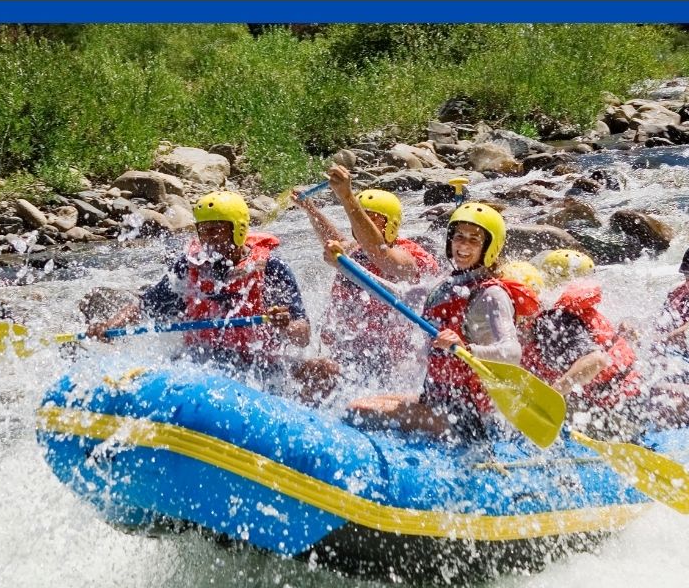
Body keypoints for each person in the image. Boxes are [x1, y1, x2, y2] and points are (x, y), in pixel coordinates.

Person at [88, 190, 338, 400]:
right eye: (204, 231)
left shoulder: (271, 269)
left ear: (238, 230)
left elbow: (302, 336)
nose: (209, 239)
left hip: (259, 363)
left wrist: (285, 325)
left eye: (217, 230)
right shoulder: (188, 267)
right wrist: (110, 326)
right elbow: (145, 306)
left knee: (324, 369)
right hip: (200, 361)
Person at [337, 201, 537, 443]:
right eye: (459, 236)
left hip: (467, 416)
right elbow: (395, 296)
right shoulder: (447, 285)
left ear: (489, 247)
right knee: (362, 402)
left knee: (358, 410)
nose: (463, 245)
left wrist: (467, 349)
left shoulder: (490, 295)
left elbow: (511, 352)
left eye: (474, 240)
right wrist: (344, 265)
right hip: (437, 399)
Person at [293, 165, 440, 380]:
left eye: (368, 219)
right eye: (359, 218)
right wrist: (311, 210)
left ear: (391, 226)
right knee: (305, 369)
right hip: (349, 351)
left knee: (319, 370)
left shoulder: (412, 257)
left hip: (390, 360)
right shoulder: (354, 249)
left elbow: (382, 256)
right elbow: (335, 240)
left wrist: (347, 197)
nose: (359, 224)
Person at [518, 275, 646, 439]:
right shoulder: (562, 316)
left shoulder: (550, 325)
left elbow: (597, 361)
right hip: (632, 396)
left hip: (621, 410)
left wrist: (550, 397)